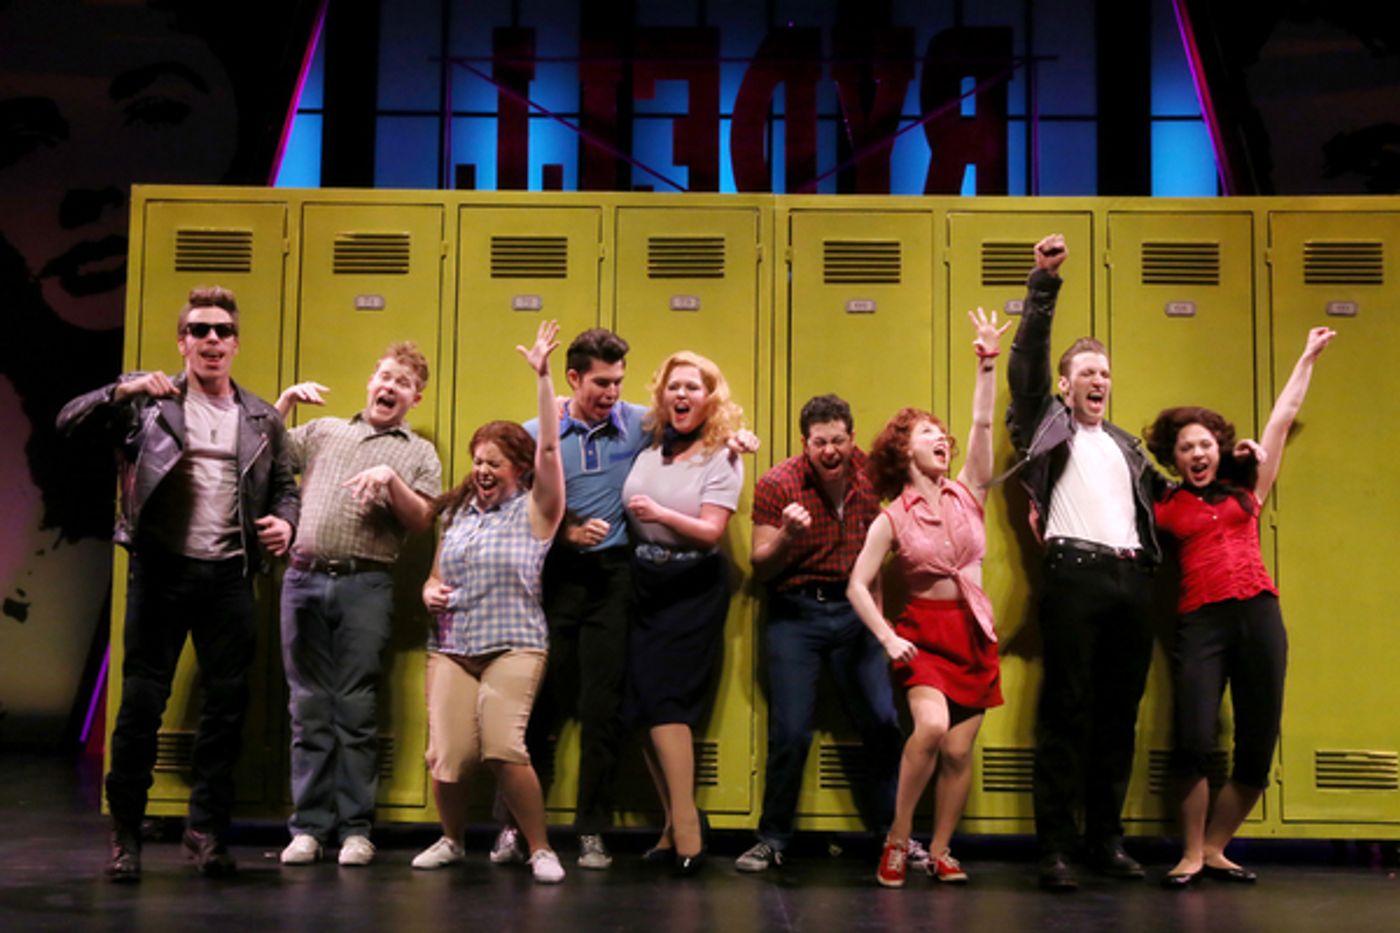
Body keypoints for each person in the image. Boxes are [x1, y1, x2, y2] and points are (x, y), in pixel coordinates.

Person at [55, 285, 299, 882]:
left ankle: (206, 830)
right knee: (140, 708)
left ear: (236, 344)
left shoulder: (261, 417)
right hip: (161, 573)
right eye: (199, 330)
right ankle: (126, 835)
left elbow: (285, 486)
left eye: (222, 331)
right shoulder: (147, 406)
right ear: (182, 342)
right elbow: (67, 421)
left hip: (229, 577)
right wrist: (123, 389)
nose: (212, 339)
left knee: (227, 709)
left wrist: (286, 523)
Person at [1147, 327, 1335, 887]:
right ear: (1174, 458)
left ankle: (1215, 847)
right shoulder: (1164, 506)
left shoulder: (1246, 492)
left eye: (1205, 444)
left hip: (1259, 616)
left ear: (1219, 449)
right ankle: (1189, 853)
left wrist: (1306, 356)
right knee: (1193, 738)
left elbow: (1281, 420)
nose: (1197, 453)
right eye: (1186, 448)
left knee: (1258, 741)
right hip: (1200, 622)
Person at [1006, 235, 1166, 892]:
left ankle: (1105, 839)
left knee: (1118, 717)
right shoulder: (1045, 428)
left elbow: (1173, 503)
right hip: (1074, 576)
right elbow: (1026, 369)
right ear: (1066, 385)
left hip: (1133, 581)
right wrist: (1043, 285)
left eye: (1105, 373)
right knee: (1066, 712)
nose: (1099, 380)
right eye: (1088, 373)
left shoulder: (1128, 448)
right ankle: (1055, 848)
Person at [849, 308, 1011, 888]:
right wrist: (887, 637)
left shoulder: (969, 491)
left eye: (942, 434)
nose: (941, 438)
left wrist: (987, 362)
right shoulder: (891, 517)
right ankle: (898, 839)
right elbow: (857, 585)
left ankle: (941, 849)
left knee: (960, 752)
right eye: (926, 433)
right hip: (923, 634)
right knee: (933, 728)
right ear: (902, 450)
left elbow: (983, 425)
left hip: (973, 631)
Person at [272, 344, 442, 867]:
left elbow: (423, 520)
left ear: (415, 398)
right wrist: (284, 403)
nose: (390, 387)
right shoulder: (325, 431)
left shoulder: (418, 453)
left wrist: (391, 480)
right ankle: (308, 828)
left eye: (403, 383)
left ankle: (354, 830)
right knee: (307, 708)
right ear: (372, 381)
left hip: (365, 584)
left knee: (355, 709)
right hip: (302, 579)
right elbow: (264, 457)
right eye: (385, 376)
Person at [411, 320, 567, 884]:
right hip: (452, 647)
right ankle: (452, 840)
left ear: (518, 470)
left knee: (503, 746)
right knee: (447, 754)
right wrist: (428, 590)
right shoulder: (456, 513)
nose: (482, 470)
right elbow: (434, 576)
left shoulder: (537, 509)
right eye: (478, 460)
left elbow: (549, 446)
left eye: (494, 462)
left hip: (514, 644)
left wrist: (544, 377)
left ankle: (541, 848)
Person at [733, 393, 905, 874]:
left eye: (838, 441)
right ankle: (773, 838)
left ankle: (893, 836)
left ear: (852, 438)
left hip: (855, 612)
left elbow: (877, 560)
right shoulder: (778, 484)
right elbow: (761, 569)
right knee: (790, 731)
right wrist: (787, 535)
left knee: (883, 722)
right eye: (819, 443)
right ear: (804, 444)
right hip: (796, 612)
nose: (830, 451)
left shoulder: (871, 477)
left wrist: (882, 627)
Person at [497, 328, 643, 871]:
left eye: (619, 381)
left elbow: (693, 424)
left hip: (613, 578)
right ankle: (515, 827)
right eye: (601, 382)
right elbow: (514, 505)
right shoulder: (538, 431)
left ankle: (592, 831)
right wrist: (566, 532)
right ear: (575, 378)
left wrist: (735, 440)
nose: (612, 393)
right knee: (538, 707)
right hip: (554, 576)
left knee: (602, 709)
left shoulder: (639, 424)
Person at [622, 351, 745, 875]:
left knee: (668, 702)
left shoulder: (723, 455)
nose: (682, 395)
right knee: (641, 707)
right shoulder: (650, 445)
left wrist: (660, 514)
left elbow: (712, 530)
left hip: (692, 587)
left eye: (693, 387)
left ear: (710, 398)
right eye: (674, 386)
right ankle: (674, 823)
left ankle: (687, 830)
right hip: (644, 583)